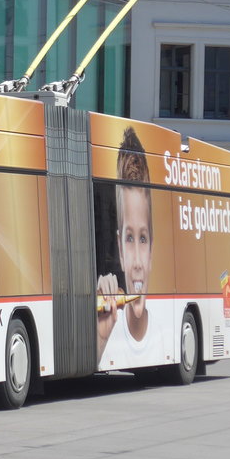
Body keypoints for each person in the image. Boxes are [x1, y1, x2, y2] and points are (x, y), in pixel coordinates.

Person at [96, 127, 156, 365]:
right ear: (120, 250)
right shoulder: (106, 319)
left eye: (143, 238)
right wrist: (100, 337)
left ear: (152, 248)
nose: (139, 263)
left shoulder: (163, 328)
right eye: (130, 239)